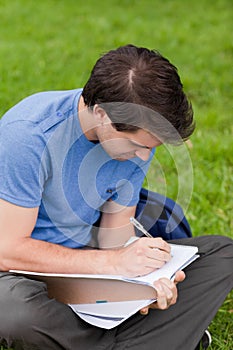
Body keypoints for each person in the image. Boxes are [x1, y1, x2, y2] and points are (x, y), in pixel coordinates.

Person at [0, 44, 232, 350]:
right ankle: (158, 337)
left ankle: (116, 336)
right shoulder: (30, 136)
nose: (145, 156)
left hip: (89, 260)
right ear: (102, 114)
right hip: (25, 273)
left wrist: (144, 284)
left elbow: (115, 234)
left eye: (153, 148)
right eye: (138, 145)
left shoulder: (138, 138)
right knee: (14, 311)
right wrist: (112, 263)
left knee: (221, 254)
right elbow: (9, 251)